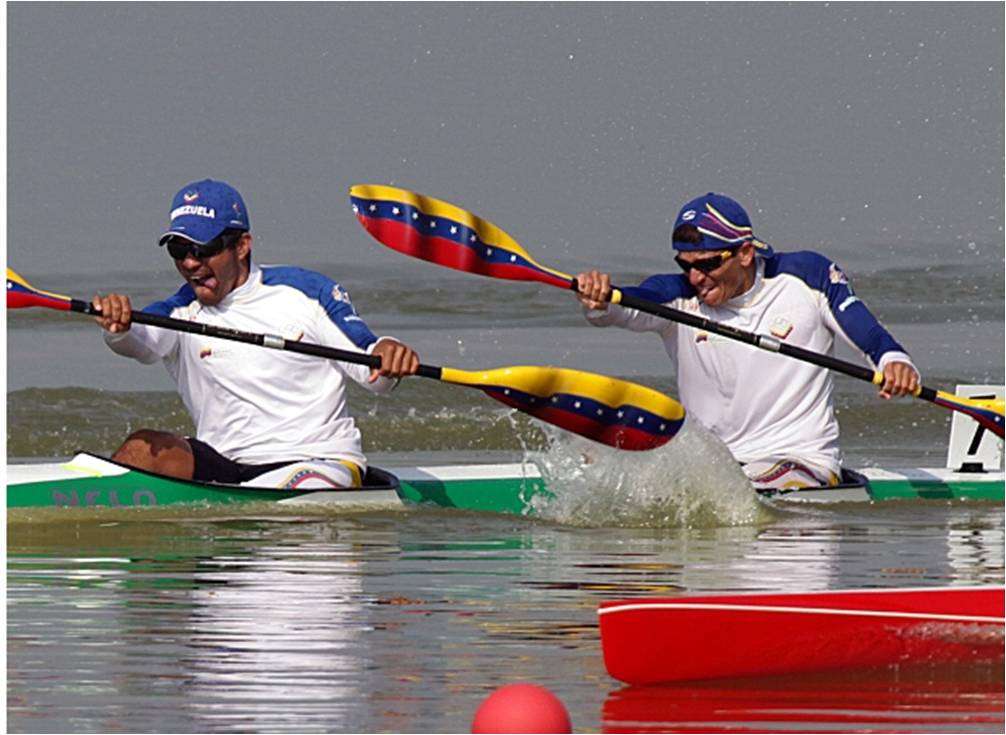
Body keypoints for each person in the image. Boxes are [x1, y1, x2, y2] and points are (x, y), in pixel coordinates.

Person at [575, 192, 920, 491]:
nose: (696, 278)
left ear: (744, 253)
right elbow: (625, 305)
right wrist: (600, 299)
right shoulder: (676, 295)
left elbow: (868, 334)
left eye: (708, 264)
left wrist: (894, 362)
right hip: (711, 467)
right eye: (685, 265)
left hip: (798, 460)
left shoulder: (806, 277)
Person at [92, 178, 420, 489]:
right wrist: (119, 327)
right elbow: (141, 340)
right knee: (141, 449)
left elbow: (374, 372)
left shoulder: (308, 293)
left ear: (242, 246)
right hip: (228, 467)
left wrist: (389, 353)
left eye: (204, 248)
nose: (191, 263)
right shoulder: (179, 310)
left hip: (317, 463)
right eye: (179, 249)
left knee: (292, 495)